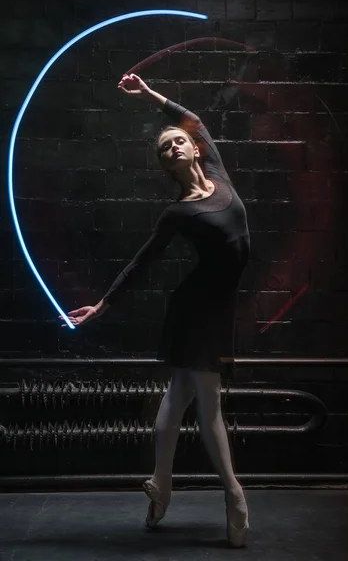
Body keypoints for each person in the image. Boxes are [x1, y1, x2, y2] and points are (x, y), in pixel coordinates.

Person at [59, 73, 250, 547]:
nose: (175, 147)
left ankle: (161, 489)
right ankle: (235, 495)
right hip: (197, 309)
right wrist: (103, 306)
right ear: (166, 165)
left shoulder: (220, 173)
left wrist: (149, 96)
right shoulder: (178, 212)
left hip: (216, 306)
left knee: (178, 395)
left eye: (180, 142)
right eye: (166, 149)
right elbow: (143, 261)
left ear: (197, 149)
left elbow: (194, 119)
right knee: (208, 405)